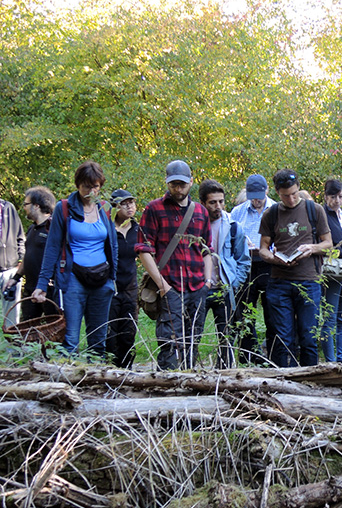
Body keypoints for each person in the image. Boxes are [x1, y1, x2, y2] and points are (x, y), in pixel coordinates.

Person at [33, 161, 118, 356]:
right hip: (72, 279)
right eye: (86, 186)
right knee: (69, 340)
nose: (90, 191)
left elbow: (112, 244)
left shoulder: (104, 209)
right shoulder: (64, 208)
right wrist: (42, 284)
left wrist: (113, 278)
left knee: (98, 340)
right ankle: (66, 384)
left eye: (95, 186)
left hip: (102, 279)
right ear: (78, 184)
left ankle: (96, 381)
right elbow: (52, 247)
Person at [136, 159, 213, 370]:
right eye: (173, 184)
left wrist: (207, 282)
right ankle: (167, 387)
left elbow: (207, 250)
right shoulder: (154, 209)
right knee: (169, 342)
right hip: (170, 286)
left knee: (193, 340)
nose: (178, 189)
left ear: (191, 181)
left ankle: (191, 383)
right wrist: (163, 286)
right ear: (167, 183)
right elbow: (143, 249)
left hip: (197, 286)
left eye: (182, 184)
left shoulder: (200, 211)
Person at [259, 169, 332, 367]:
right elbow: (263, 249)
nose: (291, 199)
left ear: (298, 187)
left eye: (294, 194)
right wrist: (275, 259)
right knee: (283, 337)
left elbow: (328, 244)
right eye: (285, 196)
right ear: (276, 193)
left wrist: (312, 248)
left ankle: (310, 378)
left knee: (308, 336)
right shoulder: (271, 214)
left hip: (309, 281)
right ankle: (284, 379)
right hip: (279, 282)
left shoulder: (314, 209)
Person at [200, 179, 251, 369]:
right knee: (193, 334)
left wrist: (235, 283)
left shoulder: (233, 226)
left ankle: (226, 375)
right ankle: (191, 371)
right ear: (203, 203)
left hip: (225, 288)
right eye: (213, 202)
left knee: (227, 336)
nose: (218, 206)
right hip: (200, 288)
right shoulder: (195, 225)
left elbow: (243, 259)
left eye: (221, 201)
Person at [231, 175, 276, 364]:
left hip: (270, 265)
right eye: (253, 196)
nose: (256, 200)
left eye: (259, 195)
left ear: (267, 190)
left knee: (272, 311)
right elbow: (229, 237)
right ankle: (249, 356)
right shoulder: (237, 212)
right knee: (244, 312)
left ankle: (274, 354)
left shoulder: (276, 209)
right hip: (246, 264)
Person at [319, 178, 342, 363]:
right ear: (325, 197)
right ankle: (331, 361)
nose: (337, 201)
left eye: (340, 196)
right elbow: (319, 245)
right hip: (332, 272)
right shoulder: (321, 215)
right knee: (329, 318)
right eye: (332, 197)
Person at [11, 187, 56, 322]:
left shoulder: (53, 227)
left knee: (53, 331)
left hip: (49, 292)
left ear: (36, 206)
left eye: (26, 204)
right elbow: (28, 256)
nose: (24, 208)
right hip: (31, 289)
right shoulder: (32, 228)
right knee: (27, 329)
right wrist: (16, 277)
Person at [106, 189, 140, 368]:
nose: (129, 206)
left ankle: (127, 370)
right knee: (110, 333)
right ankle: (110, 370)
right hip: (110, 288)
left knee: (128, 333)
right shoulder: (107, 228)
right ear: (115, 207)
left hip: (130, 288)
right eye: (123, 203)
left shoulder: (138, 229)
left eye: (131, 202)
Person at [0, 197, 25, 327]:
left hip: (10, 269)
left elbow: (20, 236)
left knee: (11, 317)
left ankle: (13, 347)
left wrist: (21, 260)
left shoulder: (7, 207)